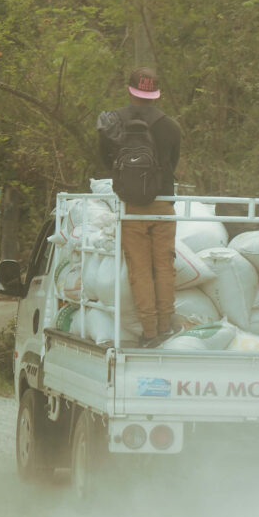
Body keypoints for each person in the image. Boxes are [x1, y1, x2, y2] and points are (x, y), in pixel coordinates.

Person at [98, 67, 183, 347]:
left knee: (140, 271)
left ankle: (149, 333)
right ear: (156, 93)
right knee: (164, 267)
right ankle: (165, 326)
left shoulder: (112, 122)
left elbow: (103, 160)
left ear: (129, 89)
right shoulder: (171, 126)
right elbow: (172, 163)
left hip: (131, 207)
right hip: (163, 205)